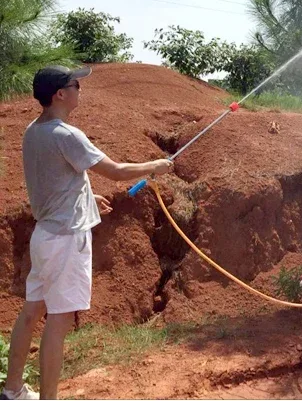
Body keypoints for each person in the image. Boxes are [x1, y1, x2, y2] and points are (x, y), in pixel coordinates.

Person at [1, 65, 173, 400]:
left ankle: (12, 390)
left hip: (45, 236)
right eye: (75, 85)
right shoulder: (67, 135)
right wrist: (155, 166)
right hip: (66, 239)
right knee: (59, 322)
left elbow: (50, 179)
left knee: (32, 312)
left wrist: (84, 197)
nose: (80, 89)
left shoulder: (33, 132)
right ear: (60, 94)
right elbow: (116, 171)